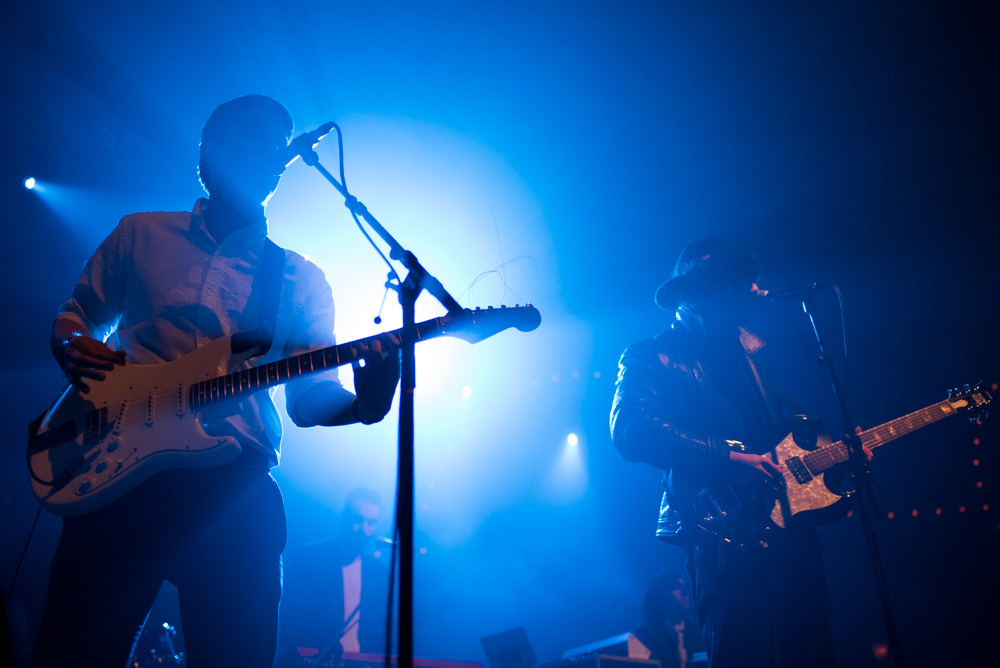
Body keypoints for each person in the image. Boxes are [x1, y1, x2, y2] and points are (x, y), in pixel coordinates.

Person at [32, 95, 401, 668]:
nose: (276, 155)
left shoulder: (302, 279)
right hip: (117, 473)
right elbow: (76, 315)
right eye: (259, 137)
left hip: (234, 486)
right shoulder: (141, 235)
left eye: (281, 144)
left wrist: (366, 405)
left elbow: (308, 401)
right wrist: (71, 345)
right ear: (210, 153)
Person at [610, 236, 864, 668]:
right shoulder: (652, 356)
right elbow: (630, 430)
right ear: (704, 293)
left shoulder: (752, 353)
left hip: (792, 532)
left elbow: (781, 441)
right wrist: (728, 456)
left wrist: (839, 455)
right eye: (739, 284)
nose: (754, 292)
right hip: (724, 534)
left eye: (752, 281)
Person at [278, 488, 391, 665]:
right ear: (345, 517)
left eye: (371, 522)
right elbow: (290, 621)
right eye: (358, 519)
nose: (364, 529)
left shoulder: (378, 571)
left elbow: (382, 632)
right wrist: (313, 659)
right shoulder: (310, 557)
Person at [631, 571, 704, 668]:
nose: (684, 592)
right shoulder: (642, 636)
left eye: (685, 586)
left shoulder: (697, 627)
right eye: (676, 587)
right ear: (660, 595)